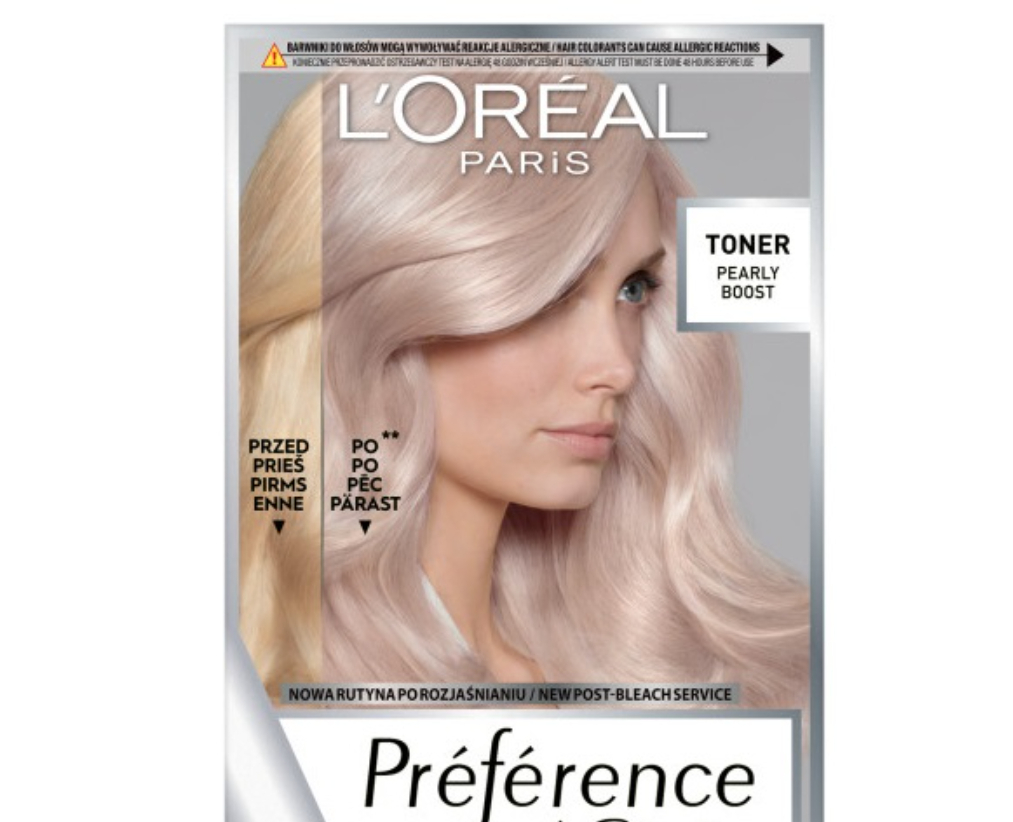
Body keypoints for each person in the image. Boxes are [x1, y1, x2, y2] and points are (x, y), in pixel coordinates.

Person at [240, 70, 808, 707]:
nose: (619, 367)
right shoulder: (267, 712)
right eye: (554, 293)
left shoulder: (615, 671)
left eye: (633, 289)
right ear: (380, 312)